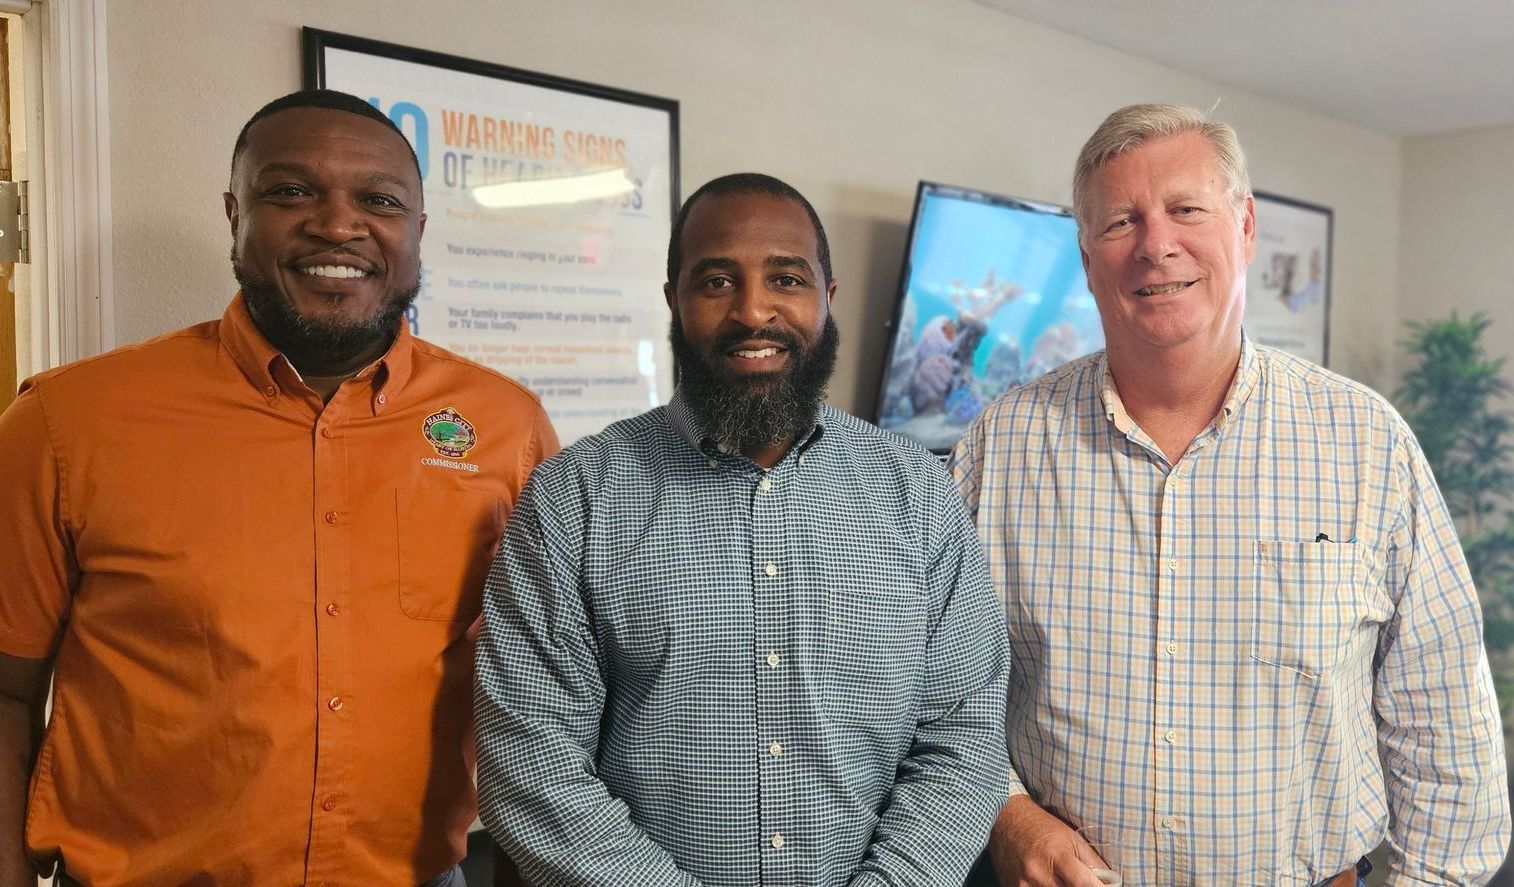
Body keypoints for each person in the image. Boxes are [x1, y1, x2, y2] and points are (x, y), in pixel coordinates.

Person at [0, 89, 558, 886]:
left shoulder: (507, 426)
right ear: (234, 214)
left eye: (379, 200)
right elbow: (6, 693)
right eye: (291, 191)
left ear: (417, 232)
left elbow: (547, 682)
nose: (338, 225)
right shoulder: (65, 421)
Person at [954, 103, 1511, 886]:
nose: (1156, 245)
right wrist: (1007, 813)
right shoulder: (1000, 447)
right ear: (1086, 259)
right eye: (1120, 222)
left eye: (1186, 209)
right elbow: (942, 690)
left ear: (1245, 228)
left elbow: (1445, 718)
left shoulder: (1367, 443)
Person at [473, 173, 1010, 886]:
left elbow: (961, 737)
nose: (753, 309)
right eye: (717, 280)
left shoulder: (917, 493)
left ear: (827, 297)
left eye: (785, 278)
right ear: (674, 300)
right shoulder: (574, 497)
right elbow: (531, 759)